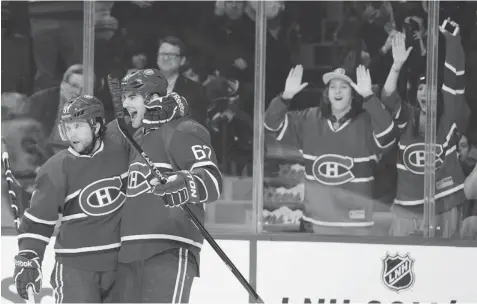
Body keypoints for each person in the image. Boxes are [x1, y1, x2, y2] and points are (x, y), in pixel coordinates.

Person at [113, 68, 223, 303]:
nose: (125, 103)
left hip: (169, 248)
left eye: (132, 97)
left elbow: (212, 181)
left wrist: (184, 183)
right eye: (123, 97)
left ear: (153, 99)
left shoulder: (182, 129)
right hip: (128, 254)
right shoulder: (136, 139)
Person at [13, 95, 129, 303]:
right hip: (75, 268)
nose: (71, 134)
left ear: (96, 126)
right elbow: (39, 221)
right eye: (67, 127)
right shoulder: (56, 167)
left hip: (121, 266)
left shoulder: (121, 150)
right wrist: (29, 256)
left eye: (77, 126)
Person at [264, 64, 397, 236]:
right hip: (315, 223)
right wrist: (286, 96)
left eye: (344, 87)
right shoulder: (309, 119)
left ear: (353, 93)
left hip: (355, 225)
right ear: (326, 93)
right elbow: (271, 124)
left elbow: (388, 133)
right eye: (332, 87)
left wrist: (369, 96)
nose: (337, 91)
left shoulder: (367, 122)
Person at [380, 19, 469, 238]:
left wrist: (453, 42)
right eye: (420, 88)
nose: (423, 93)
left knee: (444, 266)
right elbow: (388, 96)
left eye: (429, 88)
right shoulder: (408, 117)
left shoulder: (449, 118)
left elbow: (453, 83)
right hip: (407, 207)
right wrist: (396, 66)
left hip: (444, 203)